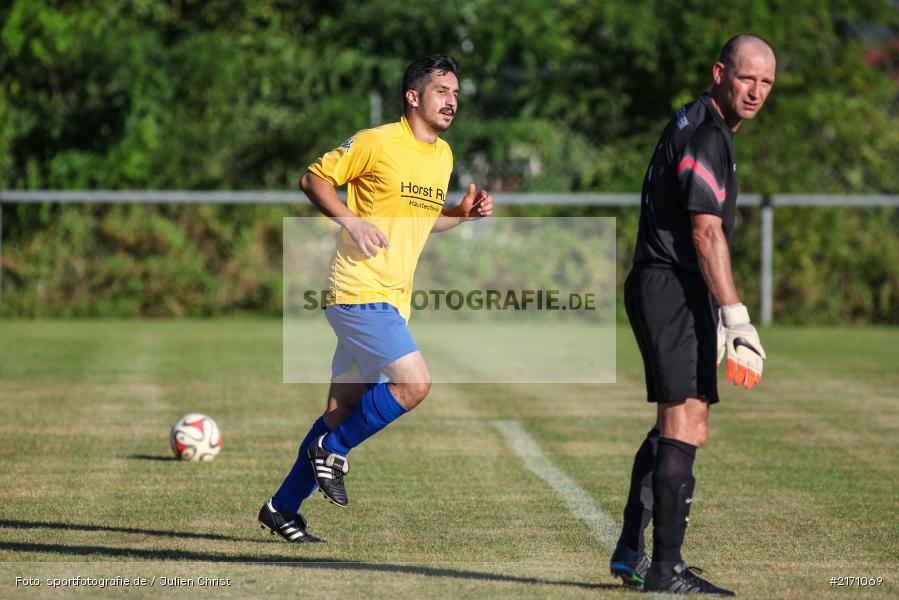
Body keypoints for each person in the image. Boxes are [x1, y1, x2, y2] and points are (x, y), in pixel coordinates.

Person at [257, 54, 493, 543]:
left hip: (392, 299)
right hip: (358, 291)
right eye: (442, 91)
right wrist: (351, 221)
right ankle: (333, 451)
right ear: (413, 96)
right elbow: (313, 179)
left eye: (456, 93)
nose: (452, 100)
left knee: (341, 408)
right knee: (415, 384)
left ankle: (281, 508)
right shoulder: (376, 141)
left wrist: (460, 214)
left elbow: (424, 220)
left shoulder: (443, 156)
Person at [609, 35, 775, 595]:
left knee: (680, 424)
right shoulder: (708, 134)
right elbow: (706, 233)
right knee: (685, 424)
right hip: (672, 286)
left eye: (766, 82)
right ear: (720, 73)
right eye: (746, 78)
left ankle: (632, 552)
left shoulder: (700, 122)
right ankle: (665, 571)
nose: (755, 92)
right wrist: (736, 316)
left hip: (672, 285)